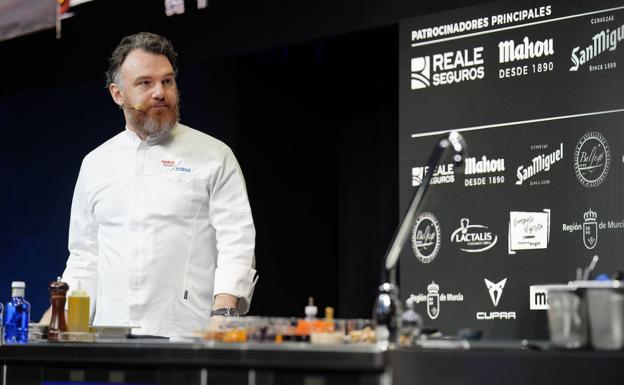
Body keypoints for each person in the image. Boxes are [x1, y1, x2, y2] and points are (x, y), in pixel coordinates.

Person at [42, 32, 257, 337]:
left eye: (167, 81)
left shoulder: (214, 155)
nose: (160, 92)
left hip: (189, 334)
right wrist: (54, 321)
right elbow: (84, 256)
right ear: (118, 94)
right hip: (109, 334)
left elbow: (237, 242)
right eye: (145, 83)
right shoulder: (95, 163)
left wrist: (224, 312)